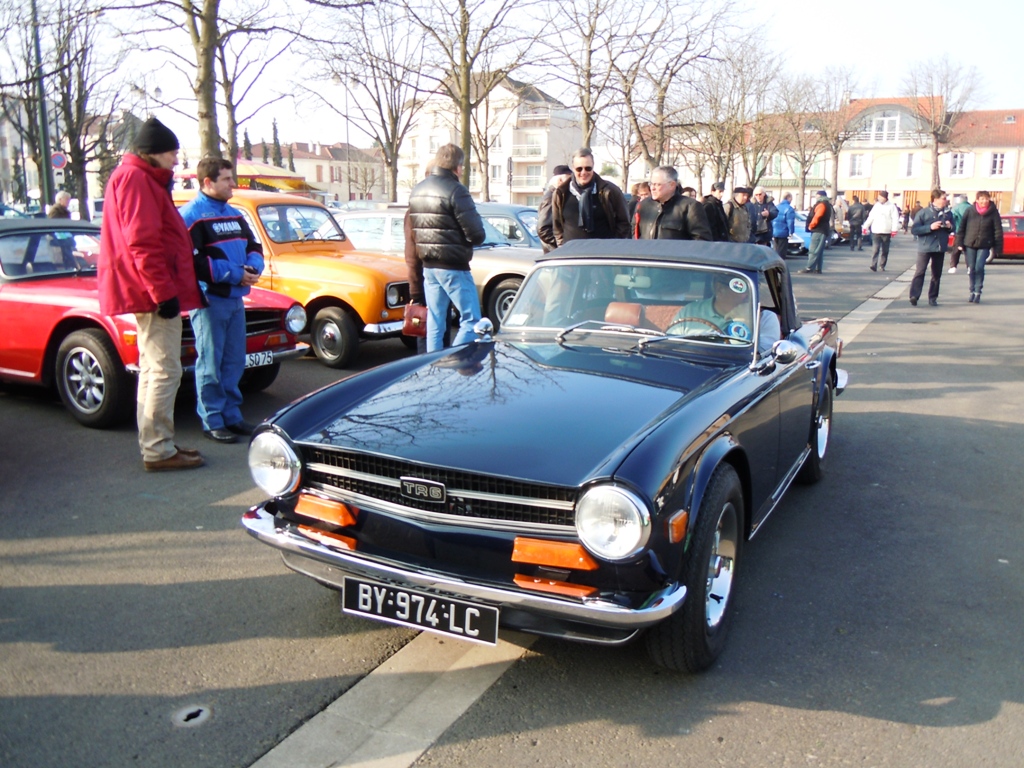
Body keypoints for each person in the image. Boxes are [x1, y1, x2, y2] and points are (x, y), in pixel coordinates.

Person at [98, 117, 205, 471]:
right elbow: (143, 243)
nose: (177, 159)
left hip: (147, 288)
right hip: (152, 291)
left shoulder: (136, 177)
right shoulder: (137, 179)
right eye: (173, 152)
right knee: (164, 370)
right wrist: (163, 293)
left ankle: (157, 444)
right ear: (154, 153)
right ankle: (159, 449)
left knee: (153, 369)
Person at [179, 157, 263, 443]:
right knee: (211, 364)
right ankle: (212, 419)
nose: (233, 184)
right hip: (209, 301)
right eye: (227, 179)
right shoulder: (190, 216)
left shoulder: (234, 214)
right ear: (208, 182)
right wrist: (235, 275)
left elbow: (254, 245)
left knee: (234, 361)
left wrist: (252, 269)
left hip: (236, 298)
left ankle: (231, 415)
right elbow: (194, 262)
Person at [408, 143, 486, 352]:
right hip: (454, 265)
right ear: (458, 167)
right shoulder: (457, 190)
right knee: (472, 320)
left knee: (435, 319)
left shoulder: (418, 190)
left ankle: (433, 365)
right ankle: (453, 359)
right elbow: (477, 234)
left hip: (428, 266)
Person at [668, 273, 779, 354]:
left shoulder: (765, 318)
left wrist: (743, 323)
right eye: (740, 288)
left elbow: (761, 361)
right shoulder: (690, 311)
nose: (748, 294)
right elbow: (669, 348)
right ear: (719, 288)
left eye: (754, 287)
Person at [550, 148, 630, 246]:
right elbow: (557, 227)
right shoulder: (561, 193)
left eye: (588, 168)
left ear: (593, 167)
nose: (583, 172)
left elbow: (624, 222)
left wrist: (613, 246)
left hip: (602, 254)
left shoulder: (610, 191)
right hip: (571, 255)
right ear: (573, 168)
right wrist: (562, 246)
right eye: (579, 169)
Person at [634, 166, 712, 241]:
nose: (653, 188)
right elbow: (634, 235)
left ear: (672, 185)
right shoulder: (643, 206)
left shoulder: (690, 207)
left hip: (676, 254)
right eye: (651, 184)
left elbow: (701, 241)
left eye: (658, 184)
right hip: (646, 253)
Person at [954, 190, 1003, 303]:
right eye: (982, 199)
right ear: (977, 200)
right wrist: (959, 243)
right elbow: (962, 228)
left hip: (985, 244)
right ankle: (971, 291)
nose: (984, 201)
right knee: (971, 268)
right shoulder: (970, 211)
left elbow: (998, 230)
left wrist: (998, 247)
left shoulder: (993, 212)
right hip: (970, 243)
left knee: (979, 267)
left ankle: (978, 292)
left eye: (986, 199)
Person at [909, 189, 954, 306]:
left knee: (936, 274)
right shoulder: (924, 212)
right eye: (944, 198)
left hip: (940, 246)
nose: (946, 200)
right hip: (925, 246)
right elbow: (914, 230)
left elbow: (954, 228)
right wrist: (930, 227)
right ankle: (914, 295)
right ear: (935, 199)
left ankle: (933, 297)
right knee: (920, 271)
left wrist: (950, 226)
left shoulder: (948, 213)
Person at [537, 164, 573, 253]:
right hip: (554, 253)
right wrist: (561, 245)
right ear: (560, 180)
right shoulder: (551, 198)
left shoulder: (555, 196)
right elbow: (543, 229)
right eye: (569, 180)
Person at [863, 190, 897, 271]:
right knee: (875, 249)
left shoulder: (891, 206)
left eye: (880, 197)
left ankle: (882, 265)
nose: (879, 199)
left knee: (885, 250)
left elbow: (895, 218)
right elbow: (871, 217)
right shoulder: (876, 206)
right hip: (876, 230)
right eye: (878, 197)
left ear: (885, 198)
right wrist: (865, 227)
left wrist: (894, 229)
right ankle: (873, 265)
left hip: (886, 231)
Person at [802, 190, 833, 273]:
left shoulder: (821, 204)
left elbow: (817, 216)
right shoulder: (827, 204)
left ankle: (809, 267)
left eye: (816, 195)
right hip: (823, 229)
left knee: (813, 250)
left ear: (820, 196)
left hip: (818, 229)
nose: (815, 197)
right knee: (819, 251)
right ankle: (818, 268)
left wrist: (811, 226)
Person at [948, 194, 972, 273]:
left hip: (958, 231)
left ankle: (953, 266)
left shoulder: (956, 208)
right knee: (968, 250)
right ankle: (970, 267)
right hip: (970, 231)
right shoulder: (971, 208)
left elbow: (952, 218)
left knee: (956, 250)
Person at [771, 192, 796, 259]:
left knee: (775, 250)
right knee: (781, 252)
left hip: (774, 231)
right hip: (783, 232)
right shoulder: (789, 209)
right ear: (789, 198)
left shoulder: (776, 207)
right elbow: (790, 221)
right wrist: (791, 232)